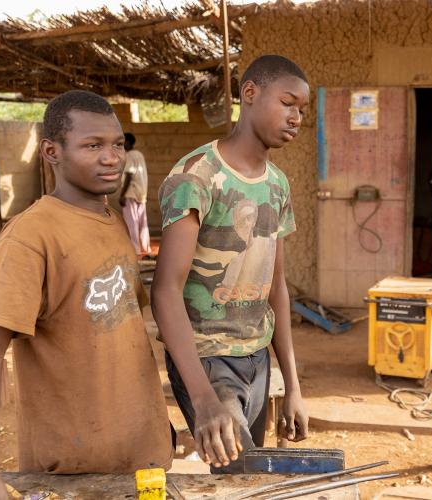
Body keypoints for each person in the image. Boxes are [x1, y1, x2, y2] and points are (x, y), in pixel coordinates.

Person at [0, 90, 172, 499]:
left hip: (143, 459)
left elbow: (126, 327)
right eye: (92, 146)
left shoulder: (112, 221)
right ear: (51, 151)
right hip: (70, 476)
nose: (111, 157)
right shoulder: (31, 236)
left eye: (116, 144)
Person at [152, 55, 310, 472]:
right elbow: (165, 290)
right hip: (206, 359)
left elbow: (277, 287)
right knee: (240, 475)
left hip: (257, 358)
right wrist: (202, 397)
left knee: (245, 477)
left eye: (302, 110)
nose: (296, 117)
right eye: (288, 102)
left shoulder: (277, 185)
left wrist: (291, 385)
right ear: (251, 93)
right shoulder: (196, 177)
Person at [119, 132, 152, 258]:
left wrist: (122, 194)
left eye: (122, 142)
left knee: (131, 222)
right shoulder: (139, 154)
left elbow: (129, 175)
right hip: (141, 192)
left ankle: (136, 250)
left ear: (127, 142)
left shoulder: (129, 155)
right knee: (142, 222)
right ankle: (145, 248)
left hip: (130, 193)